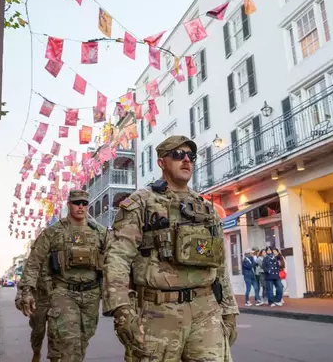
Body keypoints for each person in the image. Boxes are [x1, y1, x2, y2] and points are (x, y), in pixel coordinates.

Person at [102, 135, 238, 361]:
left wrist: (230, 310)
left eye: (190, 156)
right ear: (162, 162)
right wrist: (122, 311)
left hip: (206, 310)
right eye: (178, 155)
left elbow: (220, 264)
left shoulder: (206, 208)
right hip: (158, 314)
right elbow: (117, 258)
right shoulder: (141, 203)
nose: (186, 160)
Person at [17, 190, 107, 362]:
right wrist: (27, 290)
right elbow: (34, 262)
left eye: (84, 203)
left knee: (82, 342)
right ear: (69, 205)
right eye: (76, 203)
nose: (81, 206)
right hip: (63, 292)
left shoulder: (100, 233)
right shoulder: (53, 232)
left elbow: (113, 262)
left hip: (91, 294)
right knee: (68, 342)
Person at [16, 250, 60, 362]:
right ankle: (36, 352)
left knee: (55, 333)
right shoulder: (32, 263)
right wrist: (20, 300)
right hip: (38, 303)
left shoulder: (59, 257)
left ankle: (54, 358)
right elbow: (25, 282)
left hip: (55, 302)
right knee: (38, 332)